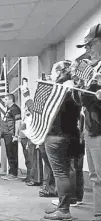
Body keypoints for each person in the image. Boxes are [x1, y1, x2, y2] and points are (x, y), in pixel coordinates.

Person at [43, 60, 81, 220]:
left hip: (57, 135)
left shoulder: (61, 90)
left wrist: (27, 97)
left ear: (60, 72)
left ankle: (64, 210)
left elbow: (48, 113)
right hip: (70, 134)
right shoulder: (74, 88)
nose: (51, 75)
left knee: (60, 173)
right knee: (64, 172)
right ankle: (63, 206)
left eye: (53, 71)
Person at [72, 24, 101, 221]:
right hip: (90, 127)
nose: (87, 49)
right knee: (95, 177)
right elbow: (82, 100)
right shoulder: (91, 69)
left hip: (98, 128)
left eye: (91, 44)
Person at [20, 100, 43, 186]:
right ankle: (34, 178)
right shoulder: (31, 117)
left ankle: (35, 179)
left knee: (34, 160)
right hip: (32, 140)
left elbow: (24, 128)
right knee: (33, 160)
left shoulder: (31, 118)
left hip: (32, 139)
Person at [1, 94, 22, 181]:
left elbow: (18, 122)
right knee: (9, 154)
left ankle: (13, 174)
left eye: (5, 99)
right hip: (7, 134)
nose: (4, 101)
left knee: (12, 154)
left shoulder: (15, 109)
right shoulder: (9, 110)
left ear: (11, 100)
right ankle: (11, 172)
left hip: (11, 134)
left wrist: (16, 135)